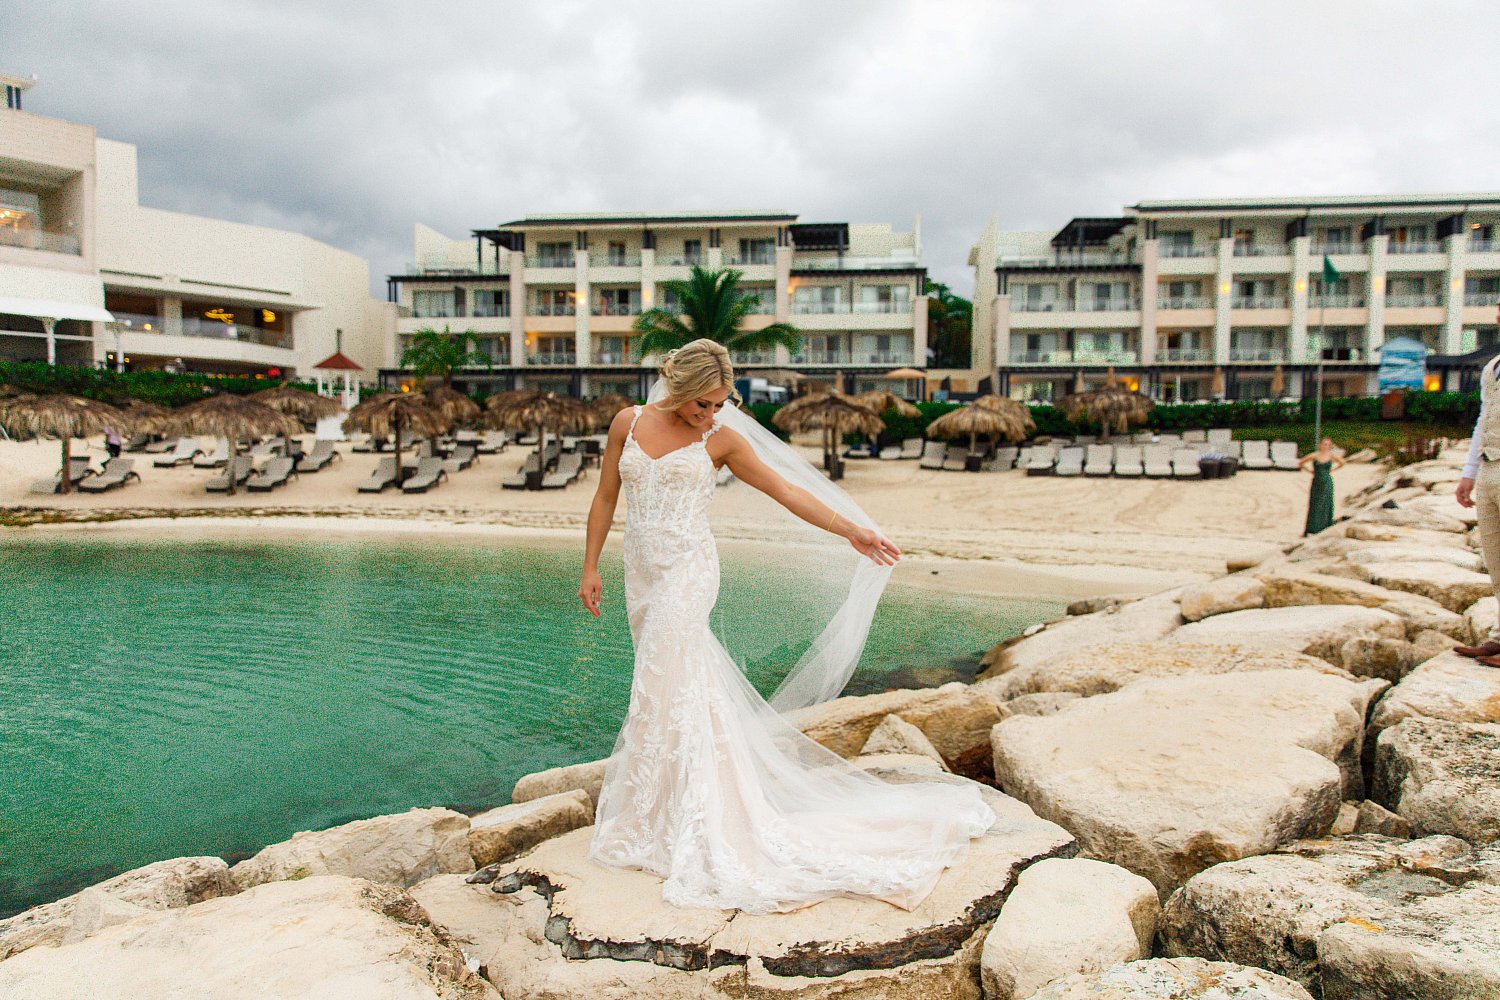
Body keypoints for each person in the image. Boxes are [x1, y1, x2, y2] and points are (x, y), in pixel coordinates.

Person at [578, 339, 994, 914]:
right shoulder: (626, 422)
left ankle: (699, 816)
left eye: (720, 403)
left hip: (689, 573)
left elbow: (787, 490)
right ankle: (662, 807)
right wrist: (591, 565)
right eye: (703, 402)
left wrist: (853, 530)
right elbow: (605, 497)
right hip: (641, 573)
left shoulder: (721, 439)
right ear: (676, 387)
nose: (711, 413)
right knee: (675, 687)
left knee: (662, 678)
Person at [1455, 336, 1500, 665]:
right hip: (1488, 468)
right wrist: (1469, 473)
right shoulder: (1493, 367)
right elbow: (1483, 421)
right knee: (1495, 560)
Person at [1298, 437, 1345, 535]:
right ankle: (1313, 527)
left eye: (1328, 445)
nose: (1326, 446)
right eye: (1324, 444)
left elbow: (1342, 463)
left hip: (1327, 482)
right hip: (1317, 482)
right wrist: (1310, 471)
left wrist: (1333, 470)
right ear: (1320, 445)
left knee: (1326, 503)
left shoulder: (1331, 456)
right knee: (1315, 504)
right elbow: (1301, 463)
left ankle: (1324, 526)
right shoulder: (1315, 455)